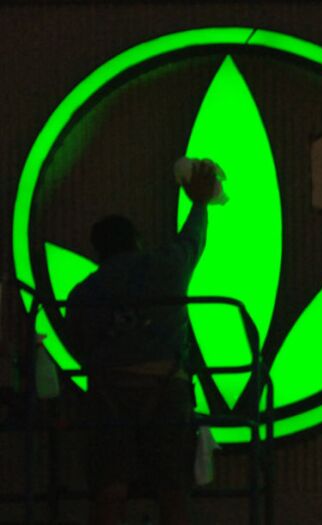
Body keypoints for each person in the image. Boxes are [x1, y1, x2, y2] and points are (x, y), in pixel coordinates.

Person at [66, 160, 219, 525]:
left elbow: (77, 343)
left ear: (97, 251)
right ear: (136, 240)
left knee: (110, 489)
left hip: (108, 390)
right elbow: (193, 238)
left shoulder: (86, 291)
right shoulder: (166, 266)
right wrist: (199, 202)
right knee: (171, 488)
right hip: (166, 386)